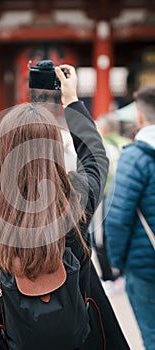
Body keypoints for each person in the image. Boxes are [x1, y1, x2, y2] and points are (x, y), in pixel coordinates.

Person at [0, 65, 129, 349]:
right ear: (53, 149)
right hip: (82, 333)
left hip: (13, 335)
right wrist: (72, 102)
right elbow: (95, 158)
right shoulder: (75, 197)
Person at [105, 84, 155, 350]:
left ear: (139, 116)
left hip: (145, 261)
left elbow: (118, 216)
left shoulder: (134, 158)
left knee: (152, 335)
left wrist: (118, 261)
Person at [91, 113, 130, 292]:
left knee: (99, 238)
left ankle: (109, 277)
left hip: (105, 198)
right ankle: (122, 274)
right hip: (128, 198)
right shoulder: (127, 144)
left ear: (104, 129)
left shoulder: (101, 146)